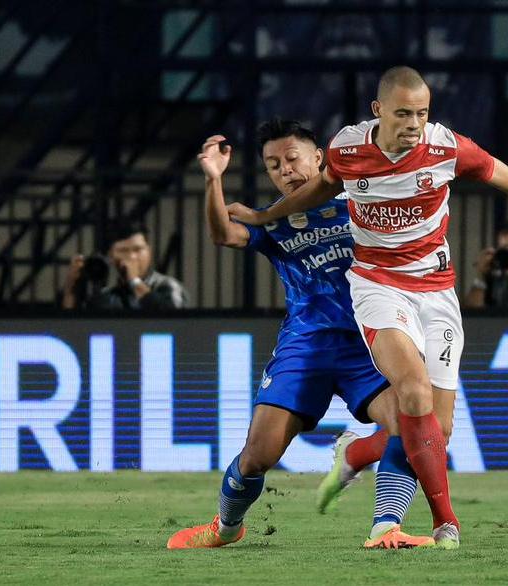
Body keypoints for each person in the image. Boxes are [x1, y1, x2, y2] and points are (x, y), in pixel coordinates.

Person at [228, 66, 508, 549]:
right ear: (378, 112)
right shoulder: (349, 148)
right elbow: (322, 186)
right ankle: (445, 525)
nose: (414, 123)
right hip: (377, 288)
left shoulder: (447, 148)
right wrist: (266, 216)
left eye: (422, 113)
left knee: (438, 427)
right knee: (411, 391)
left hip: (436, 292)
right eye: (403, 113)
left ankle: (357, 454)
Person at [166, 120, 433, 550]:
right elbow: (222, 234)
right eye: (274, 165)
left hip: (368, 344)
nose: (284, 170)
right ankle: (226, 528)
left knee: (408, 422)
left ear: (319, 159)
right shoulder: (273, 221)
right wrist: (213, 181)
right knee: (259, 456)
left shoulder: (359, 206)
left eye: (292, 158)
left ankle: (387, 527)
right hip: (305, 346)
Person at [61, 223, 187, 311]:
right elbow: (74, 328)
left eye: (138, 250)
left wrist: (134, 281)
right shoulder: (107, 296)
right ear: (111, 255)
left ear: (149, 251)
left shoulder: (167, 285)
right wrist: (70, 289)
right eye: (123, 251)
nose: (132, 257)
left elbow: (171, 317)